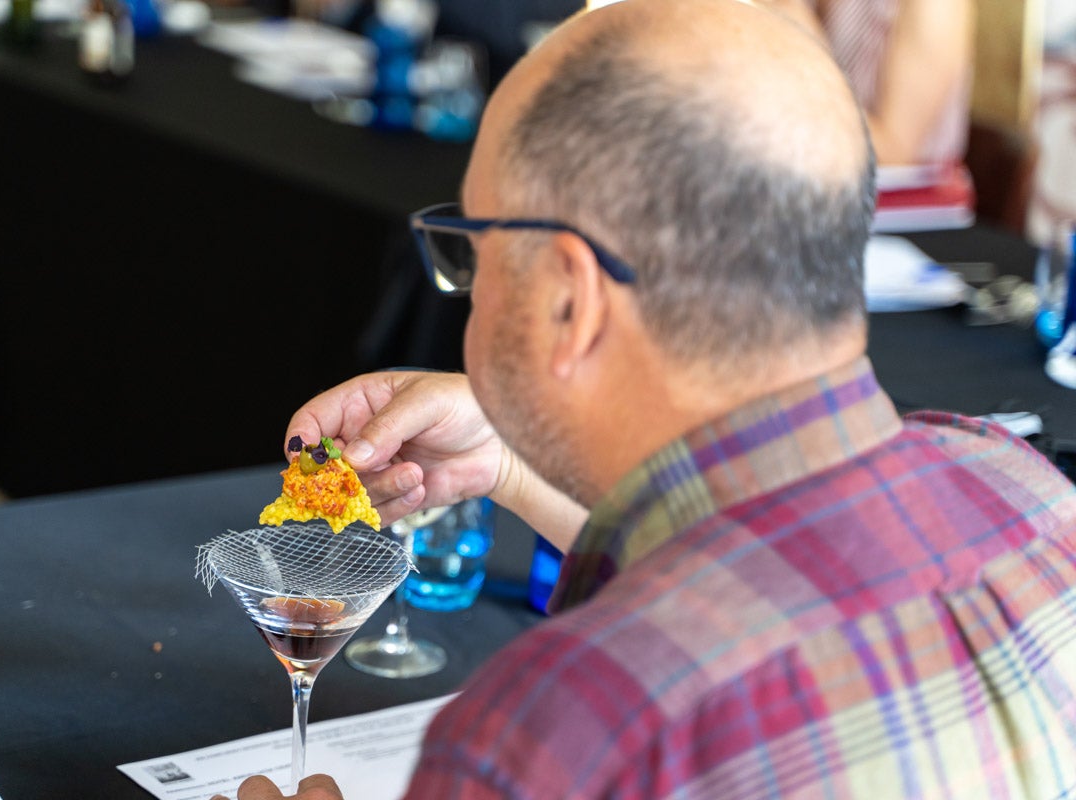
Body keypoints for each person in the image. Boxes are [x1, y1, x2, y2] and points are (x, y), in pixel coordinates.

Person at [216, 0, 1076, 796]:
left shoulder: (552, 735)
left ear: (570, 297)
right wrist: (510, 464)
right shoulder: (1030, 493)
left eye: (474, 248)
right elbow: (760, 566)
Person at [759, 0, 973, 166]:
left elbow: (893, 155)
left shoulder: (936, 6)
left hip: (898, 198)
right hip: (805, 169)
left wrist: (809, 48)